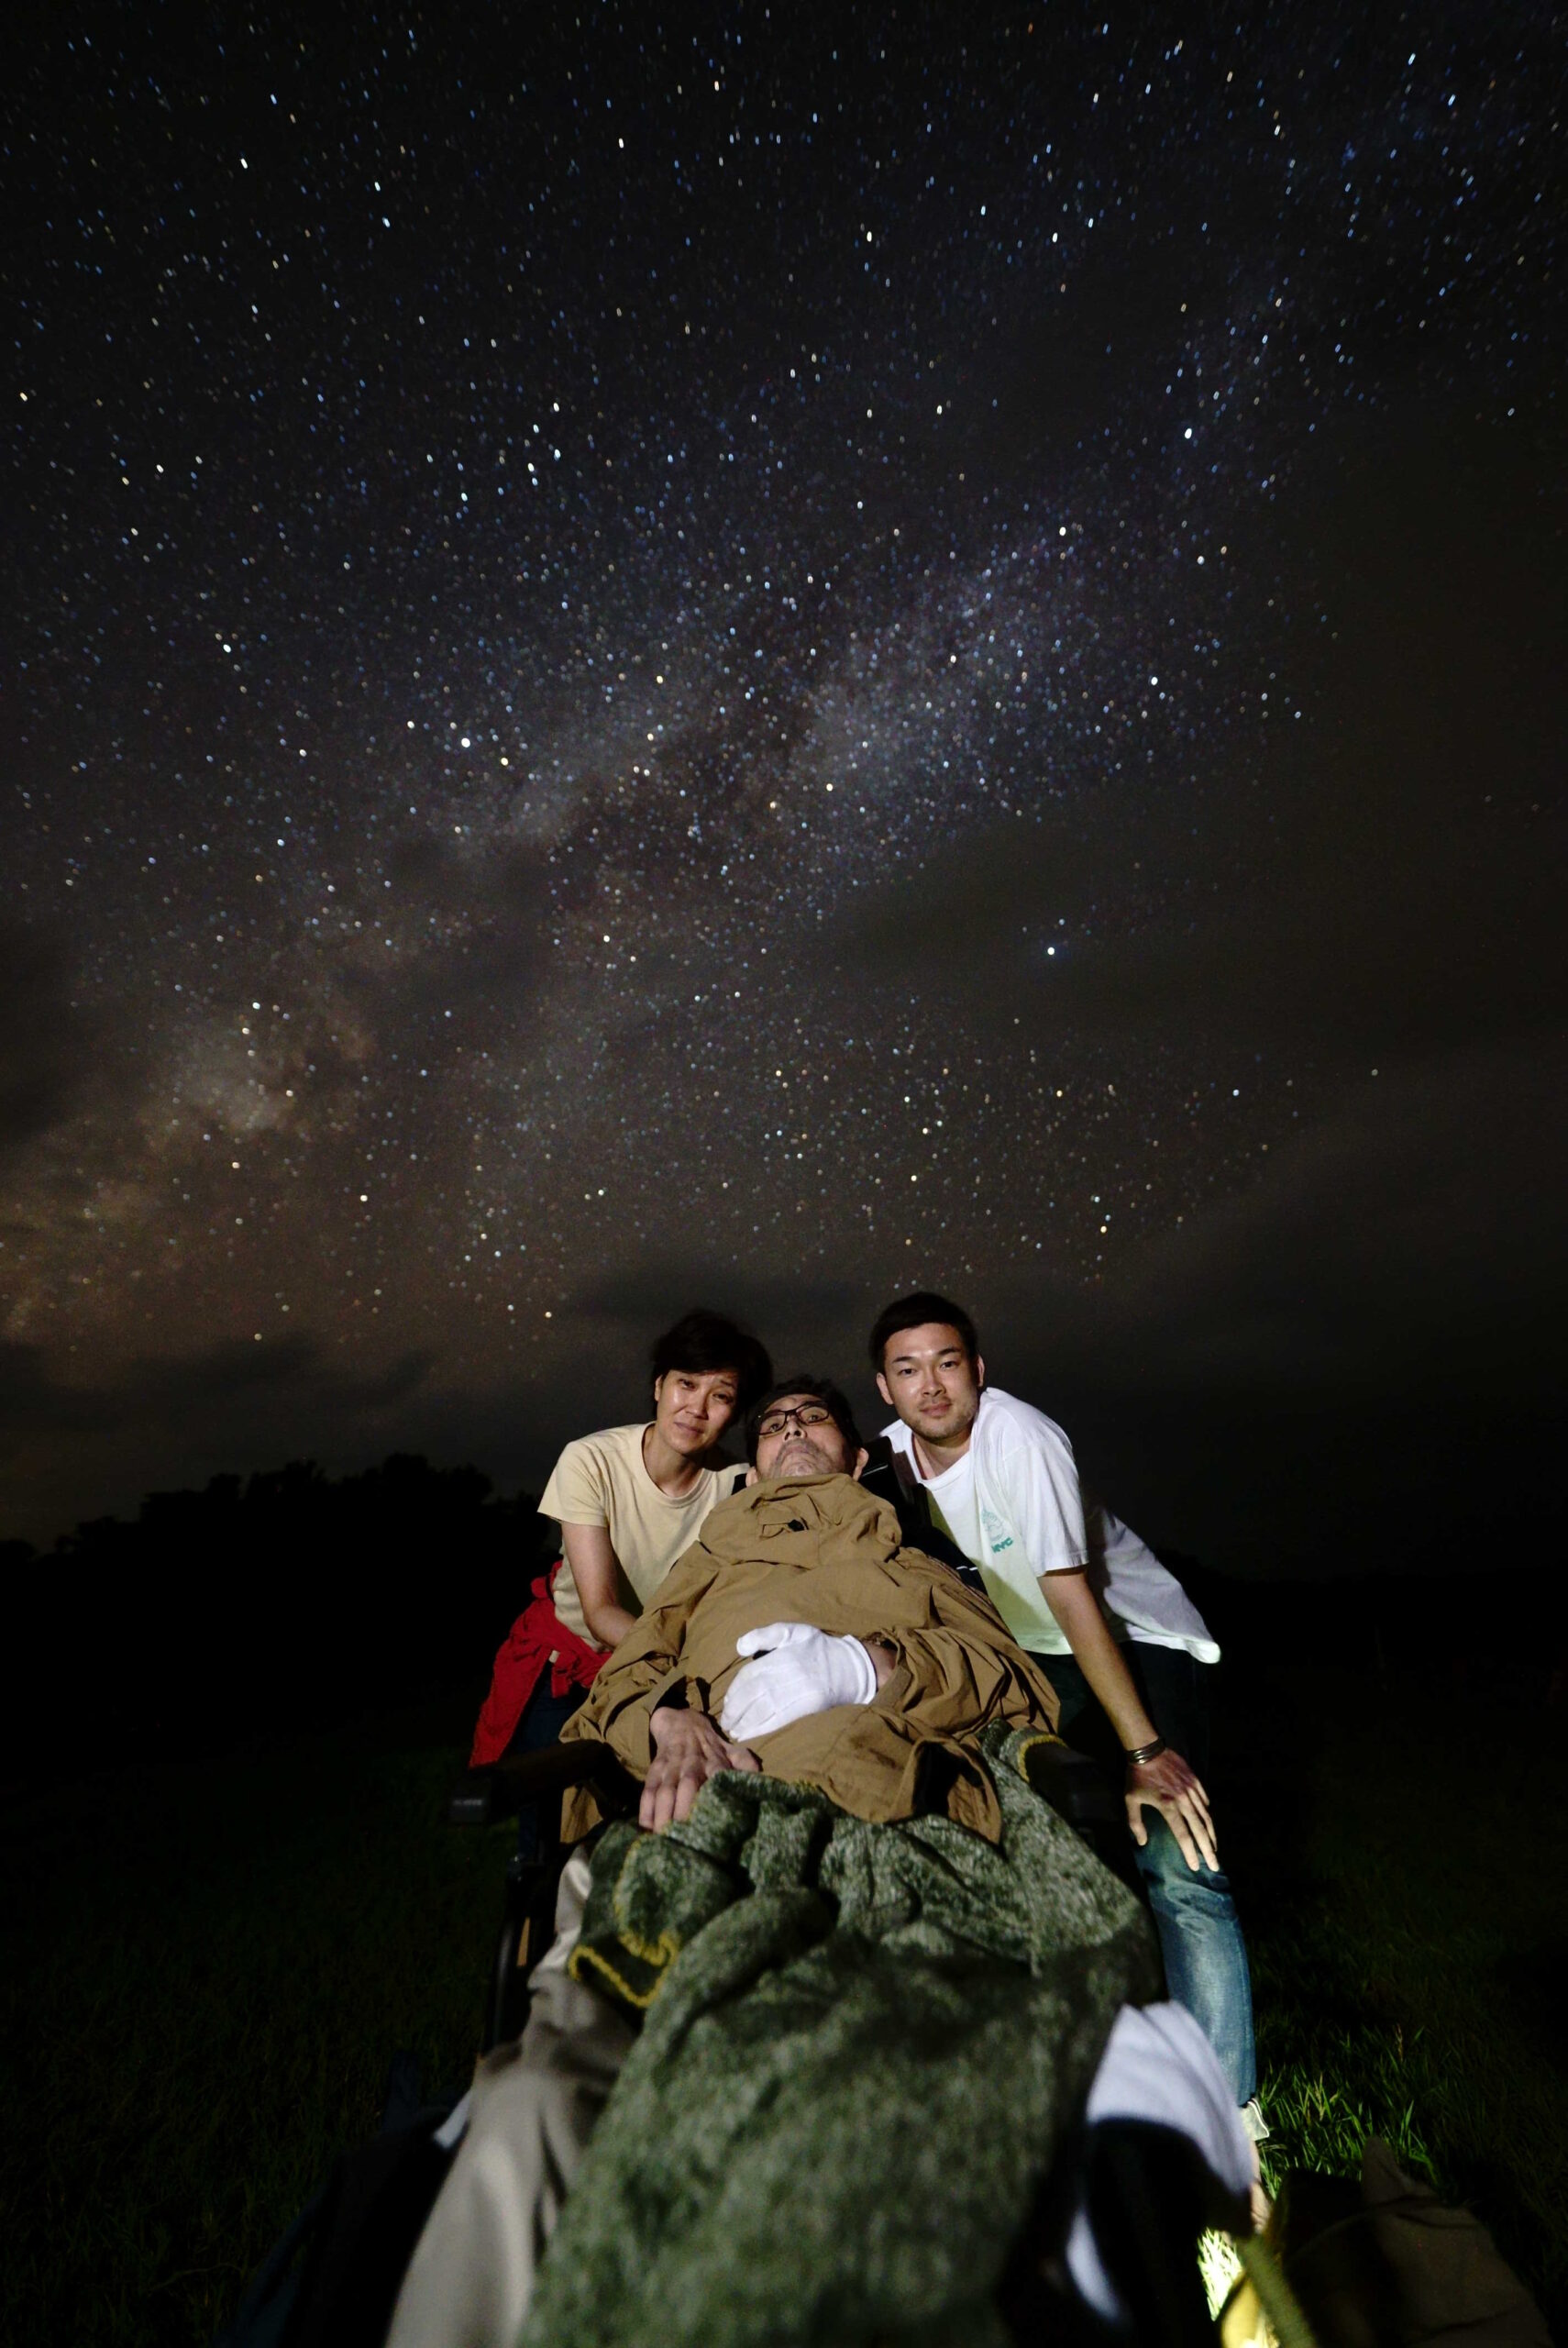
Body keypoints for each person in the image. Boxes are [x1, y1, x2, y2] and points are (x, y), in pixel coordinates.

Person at [385, 1378, 1110, 2348]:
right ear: (750, 1462)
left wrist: (869, 1667)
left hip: (877, 1817)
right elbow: (622, 1685)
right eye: (772, 1422)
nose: (791, 1429)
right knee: (530, 2105)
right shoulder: (701, 1572)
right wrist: (665, 1716)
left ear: (858, 1459)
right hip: (693, 1821)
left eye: (813, 1417)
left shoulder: (921, 1566)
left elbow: (1014, 1682)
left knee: (887, 2078)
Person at [870, 1290, 1262, 2127]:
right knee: (1040, 1837)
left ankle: (1230, 2118)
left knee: (1174, 1856)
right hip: (1042, 1653)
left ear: (978, 1370)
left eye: (947, 1363)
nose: (931, 1386)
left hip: (1130, 1640)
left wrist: (1144, 1751)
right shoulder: (891, 1456)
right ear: (885, 1387)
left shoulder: (1023, 1439)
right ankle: (1094, 2077)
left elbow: (1070, 1592)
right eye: (909, 1370)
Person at [467, 1309, 772, 1861]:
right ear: (658, 1386)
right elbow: (600, 1607)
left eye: (721, 1396)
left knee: (648, 1817)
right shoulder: (591, 1460)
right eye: (685, 1384)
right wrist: (682, 1676)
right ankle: (536, 1935)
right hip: (575, 1659)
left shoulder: (735, 1485)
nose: (696, 1408)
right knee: (549, 1828)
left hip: (659, 1669)